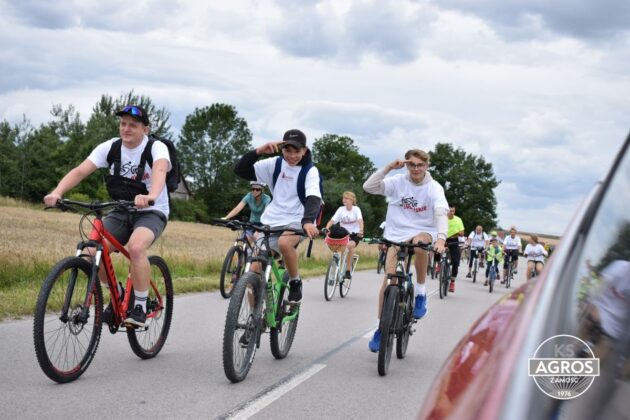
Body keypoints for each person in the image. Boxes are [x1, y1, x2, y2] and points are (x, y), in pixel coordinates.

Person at [43, 105, 171, 327]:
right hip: (122, 210)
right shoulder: (110, 147)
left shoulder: (156, 147)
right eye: (123, 124)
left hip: (152, 210)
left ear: (145, 129)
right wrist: (57, 192)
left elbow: (159, 171)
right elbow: (80, 171)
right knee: (92, 250)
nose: (126, 128)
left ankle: (139, 306)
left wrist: (150, 195)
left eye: (133, 125)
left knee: (137, 247)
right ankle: (117, 293)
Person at [363, 149, 448, 352]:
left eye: (420, 165)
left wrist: (442, 239)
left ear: (426, 166)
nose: (416, 169)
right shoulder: (398, 182)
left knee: (419, 245)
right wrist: (389, 168)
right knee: (388, 282)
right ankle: (381, 328)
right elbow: (369, 187)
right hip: (396, 235)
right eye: (412, 165)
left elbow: (440, 212)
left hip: (423, 231)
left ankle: (419, 292)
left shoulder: (434, 188)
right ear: (407, 165)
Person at [233, 129, 321, 303]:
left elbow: (313, 198)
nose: (292, 155)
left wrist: (309, 221)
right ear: (282, 149)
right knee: (254, 269)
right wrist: (258, 151)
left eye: (297, 151)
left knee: (284, 243)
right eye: (288, 150)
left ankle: (295, 281)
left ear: (304, 150)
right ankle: (254, 323)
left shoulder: (310, 171)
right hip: (272, 220)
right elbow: (240, 170)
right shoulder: (275, 164)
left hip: (298, 219)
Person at [323, 191, 364, 280]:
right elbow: (332, 220)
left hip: (354, 234)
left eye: (346, 198)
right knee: (336, 249)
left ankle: (348, 271)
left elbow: (360, 220)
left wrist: (361, 231)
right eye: (343, 198)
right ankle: (334, 271)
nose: (344, 200)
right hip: (343, 234)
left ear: (352, 200)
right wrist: (326, 228)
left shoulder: (356, 209)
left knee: (349, 246)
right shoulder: (341, 209)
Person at [435, 205, 464, 293]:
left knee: (455, 262)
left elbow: (462, 233)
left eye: (453, 211)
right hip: (443, 239)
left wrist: (455, 234)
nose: (451, 213)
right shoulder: (443, 219)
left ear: (454, 212)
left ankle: (452, 282)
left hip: (454, 241)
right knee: (437, 248)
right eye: (449, 211)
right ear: (447, 211)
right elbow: (437, 229)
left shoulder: (458, 220)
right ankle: (439, 264)